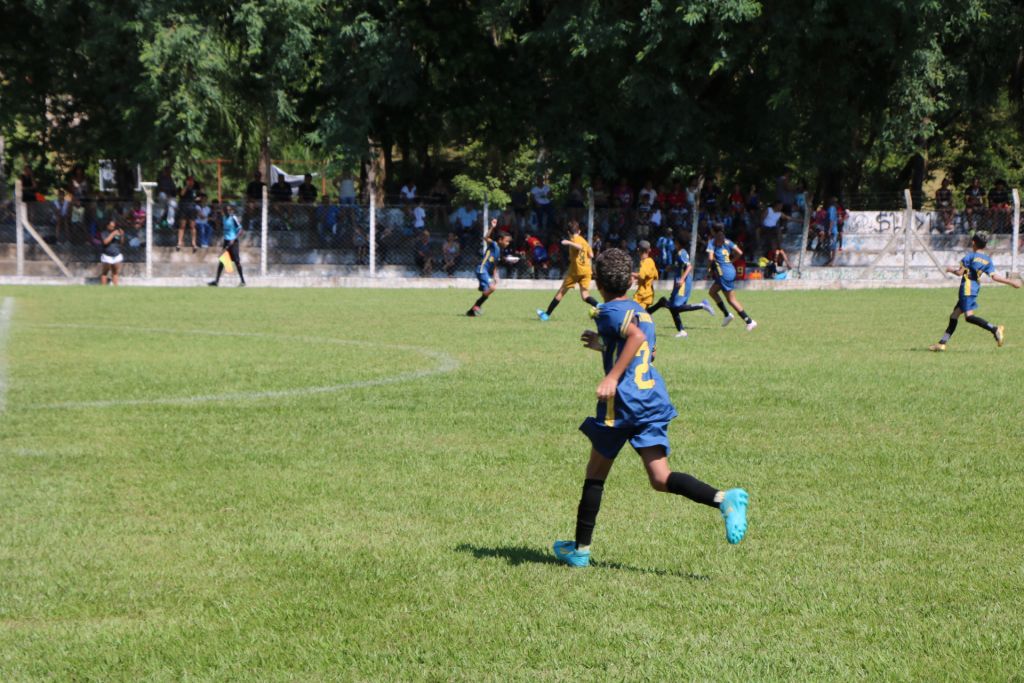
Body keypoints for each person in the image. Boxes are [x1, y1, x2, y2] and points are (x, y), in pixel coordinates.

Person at [551, 248, 750, 568]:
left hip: (622, 406)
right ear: (631, 282)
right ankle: (724, 499)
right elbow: (648, 351)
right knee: (660, 478)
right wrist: (604, 346)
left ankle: (580, 551)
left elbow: (634, 339)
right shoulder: (642, 312)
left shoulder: (607, 311)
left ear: (598, 282)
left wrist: (612, 376)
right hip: (650, 401)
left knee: (595, 475)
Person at [929, 232, 1020, 351]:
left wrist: (950, 270)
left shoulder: (969, 257)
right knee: (954, 315)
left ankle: (995, 329)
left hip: (966, 289)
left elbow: (959, 273)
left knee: (969, 317)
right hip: (974, 289)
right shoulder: (987, 260)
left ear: (973, 242)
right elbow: (994, 277)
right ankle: (942, 343)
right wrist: (1011, 282)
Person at [537, 220, 600, 320]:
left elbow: (579, 247)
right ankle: (600, 306)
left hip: (576, 271)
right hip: (587, 270)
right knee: (585, 296)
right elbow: (591, 255)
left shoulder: (574, 240)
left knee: (561, 292)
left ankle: (546, 315)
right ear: (579, 231)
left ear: (568, 233)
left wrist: (568, 242)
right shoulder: (584, 241)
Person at [647, 245, 714, 338]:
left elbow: (689, 266)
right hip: (679, 282)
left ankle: (702, 305)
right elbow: (679, 266)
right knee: (672, 307)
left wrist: (682, 279)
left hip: (682, 283)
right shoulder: (680, 252)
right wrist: (668, 268)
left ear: (677, 243)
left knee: (675, 307)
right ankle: (681, 331)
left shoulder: (681, 252)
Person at [707, 226, 757, 330]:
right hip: (730, 270)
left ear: (713, 231)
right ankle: (726, 315)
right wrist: (732, 261)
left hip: (723, 273)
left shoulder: (712, 242)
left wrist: (709, 269)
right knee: (712, 292)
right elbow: (740, 252)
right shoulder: (727, 241)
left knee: (731, 300)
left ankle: (749, 321)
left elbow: (710, 258)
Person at [466, 223, 512, 316]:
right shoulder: (494, 245)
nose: (508, 243)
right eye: (506, 241)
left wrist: (495, 276)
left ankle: (471, 311)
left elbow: (494, 265)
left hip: (485, 272)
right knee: (492, 288)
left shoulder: (499, 251)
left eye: (509, 242)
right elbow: (486, 238)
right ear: (500, 240)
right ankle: (477, 306)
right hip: (482, 270)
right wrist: (492, 227)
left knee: (487, 292)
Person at [208, 205, 246, 287]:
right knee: (222, 261)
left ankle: (243, 281)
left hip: (234, 242)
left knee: (237, 262)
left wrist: (234, 239)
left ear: (231, 211)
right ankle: (216, 281)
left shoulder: (233, 218)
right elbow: (218, 225)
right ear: (224, 211)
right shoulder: (223, 218)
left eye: (229, 210)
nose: (228, 212)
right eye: (226, 210)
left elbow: (240, 230)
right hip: (226, 241)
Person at [632, 240, 658, 310]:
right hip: (648, 294)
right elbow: (655, 276)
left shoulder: (645, 262)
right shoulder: (651, 261)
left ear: (638, 250)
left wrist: (630, 274)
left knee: (634, 312)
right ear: (649, 250)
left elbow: (641, 276)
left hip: (643, 296)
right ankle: (660, 304)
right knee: (642, 313)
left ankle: (660, 304)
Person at [176, 175, 199, 252]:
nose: (191, 182)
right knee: (182, 226)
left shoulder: (194, 190)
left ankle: (194, 243)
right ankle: (179, 242)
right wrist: (186, 186)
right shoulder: (183, 188)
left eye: (192, 181)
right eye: (189, 180)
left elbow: (196, 197)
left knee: (192, 226)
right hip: (183, 208)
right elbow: (182, 194)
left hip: (192, 209)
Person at [99, 218, 125, 286]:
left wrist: (122, 235)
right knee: (105, 273)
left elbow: (121, 243)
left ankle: (115, 288)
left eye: (114, 226)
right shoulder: (104, 233)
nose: (113, 228)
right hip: (107, 256)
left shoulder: (117, 233)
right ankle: (103, 289)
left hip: (116, 255)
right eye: (111, 226)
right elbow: (105, 242)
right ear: (107, 226)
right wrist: (113, 234)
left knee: (115, 273)